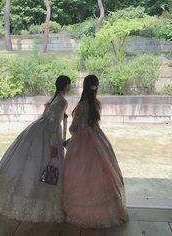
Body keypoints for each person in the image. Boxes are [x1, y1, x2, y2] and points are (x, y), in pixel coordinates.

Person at [0, 75, 71, 222]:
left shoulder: (54, 98)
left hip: (38, 131)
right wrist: (55, 145)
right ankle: (45, 204)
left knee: (34, 165)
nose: (70, 87)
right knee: (50, 166)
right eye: (69, 84)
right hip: (49, 135)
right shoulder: (62, 101)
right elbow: (54, 123)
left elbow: (49, 116)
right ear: (65, 85)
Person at [62, 74, 128, 228]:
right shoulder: (96, 104)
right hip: (97, 138)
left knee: (79, 174)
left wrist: (71, 135)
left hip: (81, 141)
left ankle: (77, 208)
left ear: (84, 86)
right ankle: (106, 209)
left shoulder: (82, 105)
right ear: (96, 87)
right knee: (100, 172)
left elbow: (75, 127)